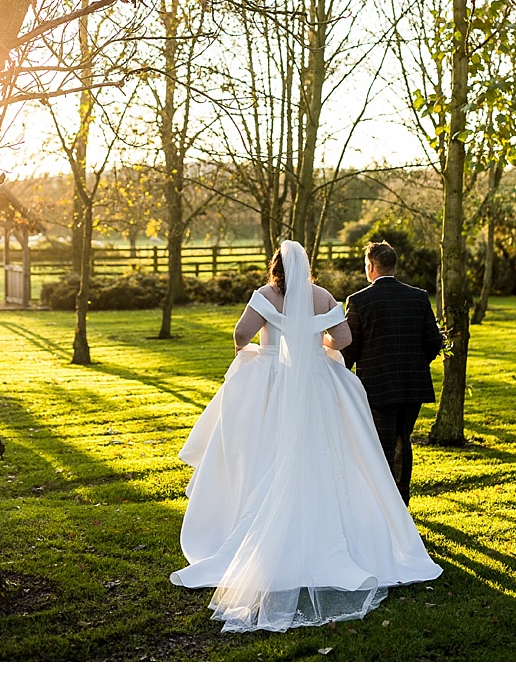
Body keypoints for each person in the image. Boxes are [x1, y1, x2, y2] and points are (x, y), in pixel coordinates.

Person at [170, 241, 440, 632]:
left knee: (263, 454)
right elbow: (343, 339)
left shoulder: (265, 296)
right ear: (307, 266)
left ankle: (255, 531)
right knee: (326, 454)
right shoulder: (323, 296)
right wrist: (320, 344)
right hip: (316, 383)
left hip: (273, 386)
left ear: (275, 266)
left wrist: (252, 352)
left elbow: (241, 333)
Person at [341, 240, 447, 504]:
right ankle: (402, 501)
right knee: (403, 439)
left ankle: (386, 506)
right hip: (413, 384)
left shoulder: (359, 301)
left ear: (371, 266)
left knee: (382, 446)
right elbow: (434, 341)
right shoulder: (418, 296)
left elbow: (349, 350)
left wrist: (337, 373)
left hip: (377, 385)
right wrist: (417, 363)